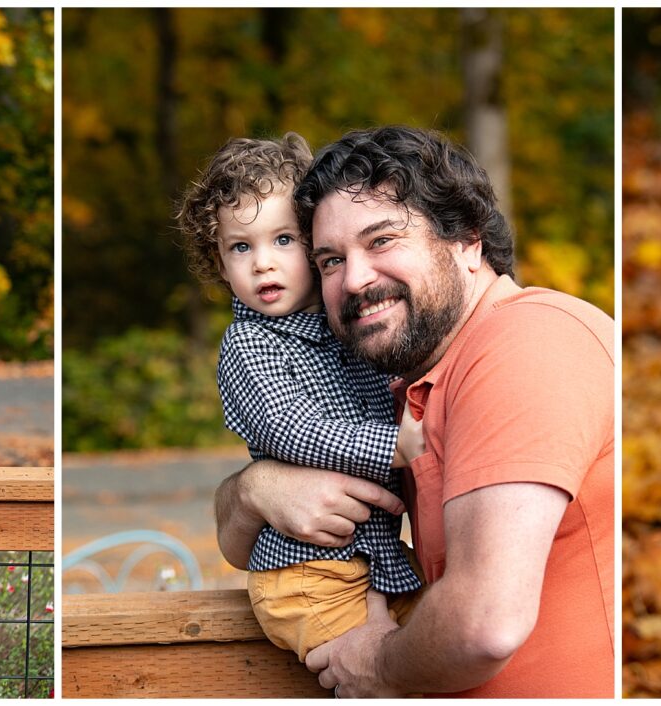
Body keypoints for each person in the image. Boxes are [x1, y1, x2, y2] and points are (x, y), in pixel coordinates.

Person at [211, 125, 617, 697]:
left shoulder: (527, 344)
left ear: (468, 240)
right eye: (329, 260)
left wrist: (375, 666)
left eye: (381, 241)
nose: (354, 279)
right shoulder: (411, 380)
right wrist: (256, 488)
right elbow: (235, 545)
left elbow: (485, 625)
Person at [176, 133, 428, 665]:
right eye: (241, 247)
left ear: (314, 248)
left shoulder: (349, 332)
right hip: (307, 573)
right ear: (221, 265)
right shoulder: (251, 344)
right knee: (377, 673)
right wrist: (395, 446)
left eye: (283, 240)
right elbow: (288, 427)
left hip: (374, 561)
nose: (263, 263)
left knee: (439, 654)